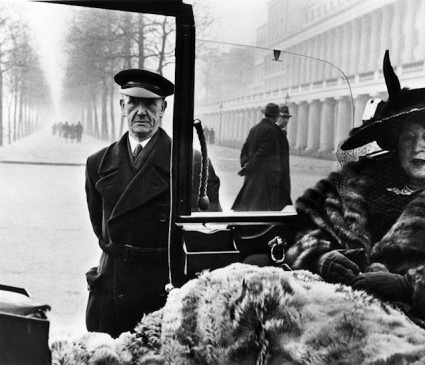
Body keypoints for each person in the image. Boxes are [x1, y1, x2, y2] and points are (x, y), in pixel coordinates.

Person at [285, 50, 425, 341]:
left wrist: (408, 287)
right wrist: (322, 258)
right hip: (337, 311)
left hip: (420, 331)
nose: (416, 147)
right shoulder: (356, 186)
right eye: (408, 137)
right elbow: (305, 231)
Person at [84, 68, 221, 337]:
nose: (141, 111)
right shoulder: (97, 163)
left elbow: (208, 235)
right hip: (111, 291)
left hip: (163, 293)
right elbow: (101, 228)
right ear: (122, 106)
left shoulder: (190, 164)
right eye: (134, 102)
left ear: (163, 109)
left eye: (150, 104)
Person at [232, 103, 284, 211]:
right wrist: (249, 167)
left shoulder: (254, 128)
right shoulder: (272, 131)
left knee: (247, 202)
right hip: (263, 175)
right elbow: (262, 154)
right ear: (275, 116)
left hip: (251, 173)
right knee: (260, 206)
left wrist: (245, 163)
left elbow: (245, 148)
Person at [276, 105, 292, 208]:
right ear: (277, 117)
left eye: (287, 118)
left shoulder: (280, 132)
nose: (286, 120)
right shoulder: (274, 132)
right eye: (283, 117)